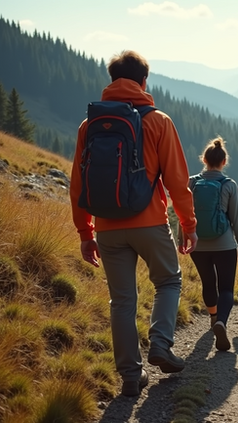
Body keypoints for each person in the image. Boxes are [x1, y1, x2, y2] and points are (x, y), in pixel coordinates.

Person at [70, 50, 197, 397]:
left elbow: (78, 185)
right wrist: (188, 225)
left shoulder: (89, 126)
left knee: (122, 301)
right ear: (144, 82)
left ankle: (130, 375)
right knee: (169, 281)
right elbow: (177, 181)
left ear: (111, 81)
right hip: (151, 222)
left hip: (108, 227)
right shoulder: (159, 121)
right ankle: (160, 344)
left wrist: (86, 232)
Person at [182, 137, 238, 352]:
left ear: (204, 159)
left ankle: (213, 316)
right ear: (224, 161)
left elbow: (183, 214)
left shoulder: (191, 182)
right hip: (225, 244)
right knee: (226, 287)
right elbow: (236, 219)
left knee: (208, 283)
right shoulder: (229, 185)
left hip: (198, 244)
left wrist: (185, 239)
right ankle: (221, 322)